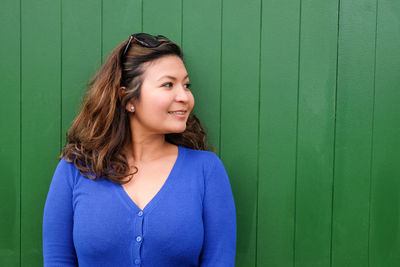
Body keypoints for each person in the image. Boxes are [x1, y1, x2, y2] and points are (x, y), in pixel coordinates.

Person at [42, 33, 237, 266]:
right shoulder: (75, 170)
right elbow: (57, 260)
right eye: (168, 84)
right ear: (127, 98)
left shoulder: (206, 170)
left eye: (186, 85)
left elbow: (219, 260)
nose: (184, 96)